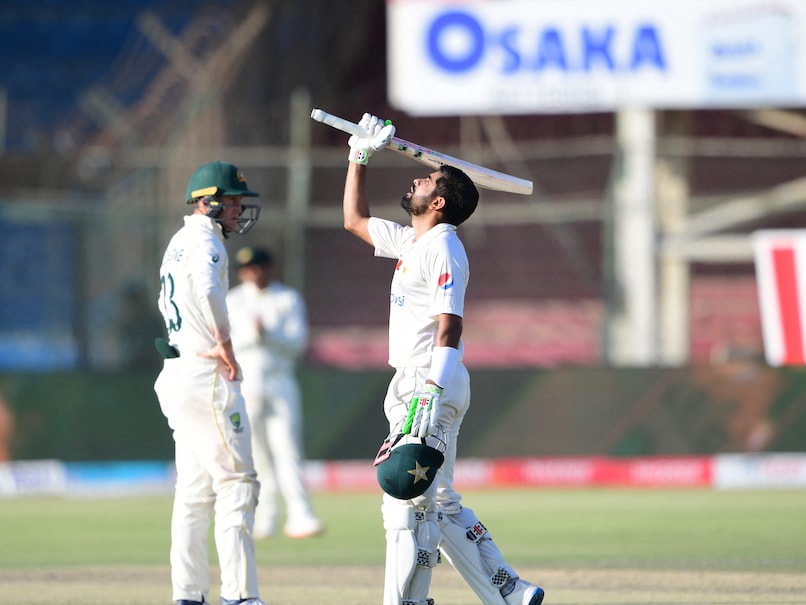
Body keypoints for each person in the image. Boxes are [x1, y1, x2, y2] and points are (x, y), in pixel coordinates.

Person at [341, 114, 545, 605]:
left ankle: (407, 602)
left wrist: (430, 391)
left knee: (403, 501)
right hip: (415, 382)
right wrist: (359, 157)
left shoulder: (445, 247)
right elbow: (353, 220)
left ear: (437, 202)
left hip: (428, 382)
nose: (415, 179)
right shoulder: (412, 240)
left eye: (426, 179)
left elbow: (451, 325)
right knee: (435, 502)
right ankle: (508, 591)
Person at [153, 160, 267, 605]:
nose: (239, 210)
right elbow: (208, 289)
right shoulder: (207, 244)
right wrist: (223, 342)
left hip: (176, 372)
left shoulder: (177, 242)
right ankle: (240, 597)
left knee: (195, 491)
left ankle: (188, 594)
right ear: (209, 201)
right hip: (205, 376)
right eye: (234, 201)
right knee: (238, 482)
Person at [227, 245, 324, 539]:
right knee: (256, 453)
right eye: (247, 268)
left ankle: (301, 515)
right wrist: (251, 335)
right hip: (247, 383)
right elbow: (228, 342)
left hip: (280, 381)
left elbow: (296, 344)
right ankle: (263, 518)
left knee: (288, 449)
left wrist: (267, 334)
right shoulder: (234, 300)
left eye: (257, 266)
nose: (252, 273)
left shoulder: (287, 298)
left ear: (268, 268)